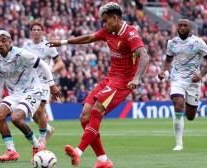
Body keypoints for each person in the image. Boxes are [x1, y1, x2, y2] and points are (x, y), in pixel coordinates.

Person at [46, 2, 149, 168]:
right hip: (109, 78)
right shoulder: (108, 31)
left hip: (123, 81)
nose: (103, 24)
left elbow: (144, 56)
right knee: (84, 116)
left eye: (105, 20)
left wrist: (136, 79)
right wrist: (63, 42)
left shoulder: (130, 34)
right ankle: (103, 160)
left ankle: (78, 152)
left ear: (115, 18)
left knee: (97, 110)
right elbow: (88, 38)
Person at [0, 30, 61, 162]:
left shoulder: (21, 54)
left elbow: (42, 64)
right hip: (14, 94)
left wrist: (52, 85)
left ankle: (37, 146)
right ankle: (11, 151)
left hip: (32, 91)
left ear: (10, 42)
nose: (1, 44)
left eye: (4, 41)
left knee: (16, 118)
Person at [158, 17, 207, 151]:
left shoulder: (198, 42)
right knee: (178, 105)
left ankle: (189, 105)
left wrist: (201, 75)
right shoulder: (172, 43)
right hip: (177, 79)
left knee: (190, 117)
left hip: (193, 81)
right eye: (180, 25)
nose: (182, 28)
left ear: (190, 27)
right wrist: (163, 71)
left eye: (185, 26)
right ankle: (179, 144)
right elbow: (168, 60)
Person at [23, 22, 63, 146]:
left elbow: (60, 63)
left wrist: (50, 71)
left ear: (42, 31)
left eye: (38, 29)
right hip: (30, 82)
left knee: (40, 109)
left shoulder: (48, 46)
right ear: (31, 32)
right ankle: (49, 129)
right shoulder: (26, 45)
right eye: (33, 29)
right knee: (32, 112)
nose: (36, 31)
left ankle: (41, 140)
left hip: (44, 82)